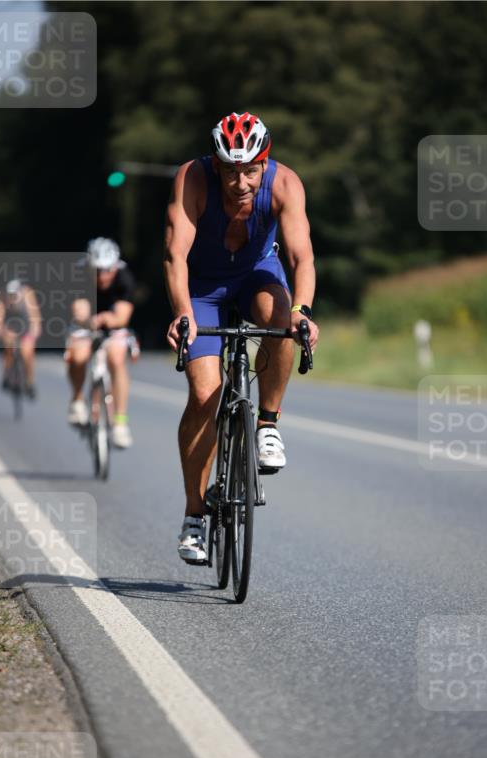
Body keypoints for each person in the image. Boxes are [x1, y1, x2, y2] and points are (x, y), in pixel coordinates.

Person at [164, 111, 319, 564]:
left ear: (264, 163)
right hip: (203, 287)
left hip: (256, 276)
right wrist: (183, 314)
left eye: (250, 170)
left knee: (283, 318)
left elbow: (302, 257)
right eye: (230, 171)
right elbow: (175, 255)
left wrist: (302, 313)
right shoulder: (192, 178)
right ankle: (195, 514)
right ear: (216, 164)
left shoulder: (286, 184)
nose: (240, 182)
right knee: (205, 396)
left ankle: (267, 425)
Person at [66, 238, 138, 449]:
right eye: (97, 271)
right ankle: (77, 400)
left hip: (112, 321)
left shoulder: (124, 277)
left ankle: (120, 423)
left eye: (107, 270)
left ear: (115, 265)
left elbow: (122, 317)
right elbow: (79, 312)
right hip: (86, 320)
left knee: (116, 358)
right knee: (78, 354)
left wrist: (106, 319)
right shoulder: (79, 274)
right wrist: (90, 321)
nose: (102, 276)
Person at [0, 280, 41, 397]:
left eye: (15, 295)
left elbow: (34, 313)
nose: (12, 298)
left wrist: (36, 327)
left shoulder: (28, 294)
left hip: (25, 327)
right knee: (8, 348)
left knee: (28, 354)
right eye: (10, 295)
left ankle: (29, 382)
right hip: (10, 327)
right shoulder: (3, 297)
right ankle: (6, 373)